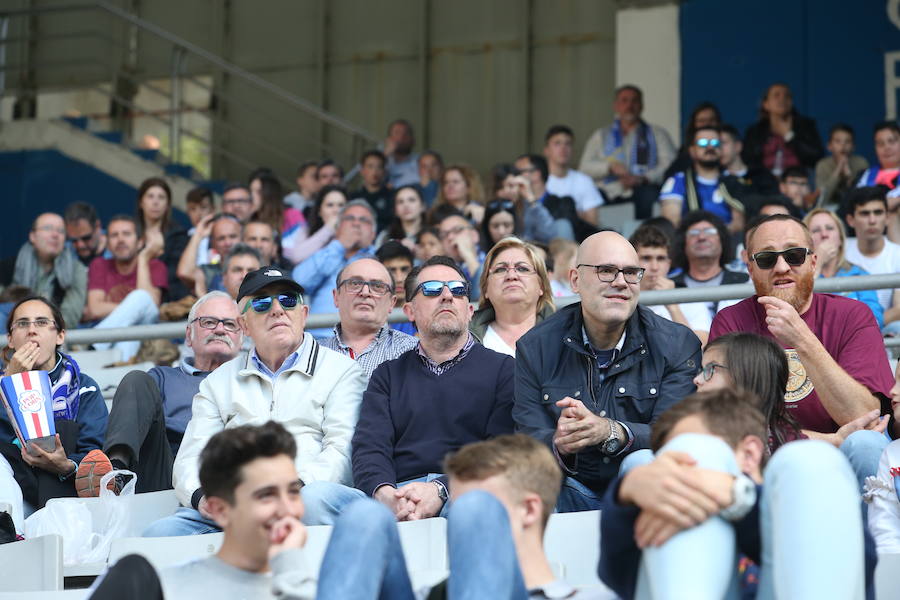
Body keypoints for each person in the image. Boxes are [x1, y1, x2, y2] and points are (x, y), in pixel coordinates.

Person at [144, 266, 366, 536]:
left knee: (312, 501)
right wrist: (203, 498)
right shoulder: (217, 382)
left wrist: (289, 490)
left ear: (303, 315)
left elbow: (342, 453)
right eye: (261, 303)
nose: (277, 309)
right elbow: (191, 458)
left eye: (287, 300)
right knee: (160, 535)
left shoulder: (341, 370)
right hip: (239, 503)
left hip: (309, 494)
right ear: (244, 325)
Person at [598, 389, 873, 600]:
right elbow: (618, 572)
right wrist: (626, 495)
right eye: (671, 465)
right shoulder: (664, 515)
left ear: (750, 454)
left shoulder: (814, 500)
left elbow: (855, 560)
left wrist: (740, 498)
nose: (680, 478)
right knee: (641, 465)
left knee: (810, 460)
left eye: (690, 460)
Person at [301, 256, 515, 525]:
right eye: (433, 289)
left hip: (465, 491)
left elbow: (501, 449)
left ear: (469, 310)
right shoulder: (387, 375)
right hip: (396, 495)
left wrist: (440, 489)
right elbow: (370, 447)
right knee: (313, 498)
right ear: (410, 310)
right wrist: (386, 494)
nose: (447, 296)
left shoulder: (504, 369)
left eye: (458, 290)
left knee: (484, 504)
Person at [514, 231, 702, 511]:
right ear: (575, 280)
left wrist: (613, 431)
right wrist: (560, 442)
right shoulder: (535, 346)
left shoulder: (677, 344)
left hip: (642, 492)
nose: (621, 282)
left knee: (644, 462)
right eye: (606, 271)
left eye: (630, 272)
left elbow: (675, 435)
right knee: (528, 482)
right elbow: (528, 436)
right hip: (567, 488)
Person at [709, 214, 894, 437]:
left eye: (794, 255)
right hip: (762, 455)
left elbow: (865, 416)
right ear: (751, 270)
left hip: (846, 451)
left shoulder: (853, 315)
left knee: (866, 443)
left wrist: (802, 339)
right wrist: (826, 441)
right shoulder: (731, 321)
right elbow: (725, 417)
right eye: (767, 258)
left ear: (813, 262)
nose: (781, 267)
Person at [89, 421, 317, 600]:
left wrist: (290, 565)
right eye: (266, 495)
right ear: (220, 510)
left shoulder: (305, 584)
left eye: (293, 492)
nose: (288, 509)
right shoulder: (159, 588)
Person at [75, 292, 243, 495]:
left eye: (230, 324)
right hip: (165, 469)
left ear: (241, 338)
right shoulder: (162, 377)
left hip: (227, 468)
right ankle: (115, 475)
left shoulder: (250, 380)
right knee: (136, 379)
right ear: (189, 335)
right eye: (209, 322)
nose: (220, 329)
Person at [0, 296, 107, 532]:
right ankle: (9, 539)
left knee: (64, 430)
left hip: (64, 495)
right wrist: (9, 383)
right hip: (14, 492)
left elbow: (94, 452)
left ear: (60, 335)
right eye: (22, 324)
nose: (31, 331)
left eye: (40, 322)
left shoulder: (83, 388)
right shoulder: (2, 383)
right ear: (10, 339)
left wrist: (66, 465)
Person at [579, 84, 677, 219]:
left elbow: (669, 165)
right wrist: (609, 167)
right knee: (589, 197)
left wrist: (643, 178)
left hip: (642, 188)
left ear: (642, 106)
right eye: (624, 101)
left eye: (634, 101)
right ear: (616, 106)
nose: (629, 105)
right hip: (608, 189)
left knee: (649, 195)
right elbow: (584, 168)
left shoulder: (657, 134)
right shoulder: (601, 135)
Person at [694, 332, 803, 452]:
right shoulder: (692, 435)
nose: (697, 380)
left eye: (710, 369)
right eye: (702, 369)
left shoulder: (792, 446)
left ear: (746, 377)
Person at [85, 215, 168, 361]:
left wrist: (143, 258)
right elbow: (95, 308)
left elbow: (151, 303)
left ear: (140, 241)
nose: (121, 239)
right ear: (108, 243)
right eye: (114, 235)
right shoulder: (99, 265)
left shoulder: (155, 265)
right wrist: (131, 311)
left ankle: (94, 344)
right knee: (129, 335)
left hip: (147, 331)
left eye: (127, 234)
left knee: (141, 297)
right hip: (123, 337)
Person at [320, 258, 417, 379]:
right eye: (355, 284)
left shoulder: (415, 352)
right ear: (336, 297)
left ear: (392, 303)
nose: (365, 292)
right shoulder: (313, 354)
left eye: (377, 286)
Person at [292, 199, 378, 327]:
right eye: (350, 218)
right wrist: (339, 245)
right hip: (319, 337)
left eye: (363, 220)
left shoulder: (380, 259)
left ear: (373, 233)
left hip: (363, 338)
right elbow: (299, 282)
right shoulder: (327, 253)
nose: (356, 223)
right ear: (337, 229)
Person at [469, 237, 555, 357]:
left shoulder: (567, 336)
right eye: (500, 269)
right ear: (485, 289)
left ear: (541, 286)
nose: (511, 275)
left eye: (522, 268)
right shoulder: (463, 341)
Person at [629, 224, 711, 344]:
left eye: (661, 259)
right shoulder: (621, 298)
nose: (655, 267)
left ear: (668, 264)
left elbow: (700, 348)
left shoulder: (691, 300)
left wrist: (673, 306)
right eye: (646, 258)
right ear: (631, 262)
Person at [803, 208, 883, 327]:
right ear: (805, 242)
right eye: (816, 230)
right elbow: (800, 310)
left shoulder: (859, 274)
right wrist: (817, 263)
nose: (824, 235)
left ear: (840, 238)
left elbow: (875, 319)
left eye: (829, 228)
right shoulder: (798, 275)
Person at [659, 126, 746, 233]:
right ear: (692, 150)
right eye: (703, 143)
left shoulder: (733, 181)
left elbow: (739, 224)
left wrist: (713, 235)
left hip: (728, 242)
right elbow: (672, 221)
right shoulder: (677, 181)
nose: (710, 147)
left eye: (715, 143)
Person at [12, 213, 87, 329]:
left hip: (55, 335)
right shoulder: (8, 267)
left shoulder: (76, 270)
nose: (55, 235)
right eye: (48, 228)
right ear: (32, 236)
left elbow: (70, 315)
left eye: (61, 231)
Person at [671, 210, 749, 322]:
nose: (702, 237)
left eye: (709, 231)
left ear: (722, 240)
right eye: (694, 233)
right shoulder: (671, 286)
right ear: (683, 243)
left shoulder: (743, 281)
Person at [843, 186, 900, 332]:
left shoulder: (897, 254)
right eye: (864, 213)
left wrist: (865, 328)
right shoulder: (840, 253)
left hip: (885, 333)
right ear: (850, 220)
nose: (872, 220)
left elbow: (899, 309)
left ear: (887, 217)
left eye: (878, 212)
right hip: (845, 332)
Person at [742, 82, 824, 176]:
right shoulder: (755, 131)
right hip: (765, 183)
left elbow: (816, 157)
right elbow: (748, 161)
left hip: (799, 181)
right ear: (766, 104)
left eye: (787, 96)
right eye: (776, 95)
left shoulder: (806, 126)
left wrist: (788, 135)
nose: (782, 99)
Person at [514, 153, 595, 242]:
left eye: (517, 172)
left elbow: (557, 238)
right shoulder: (515, 205)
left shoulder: (563, 204)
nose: (514, 177)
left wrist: (532, 201)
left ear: (536, 174)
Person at [135, 177, 190, 301]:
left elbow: (175, 276)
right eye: (150, 196)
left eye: (161, 197)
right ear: (141, 202)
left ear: (167, 205)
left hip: (168, 299)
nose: (155, 202)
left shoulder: (179, 235)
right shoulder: (130, 233)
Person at [543, 125, 605, 226]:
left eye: (568, 144)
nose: (563, 148)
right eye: (557, 143)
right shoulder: (538, 179)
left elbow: (593, 222)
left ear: (572, 150)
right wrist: (578, 213)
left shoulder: (584, 180)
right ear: (546, 150)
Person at [176, 213, 242, 297]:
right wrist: (198, 234)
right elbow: (184, 272)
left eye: (232, 236)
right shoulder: (208, 272)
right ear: (212, 243)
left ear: (242, 237)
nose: (228, 243)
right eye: (221, 238)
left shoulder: (255, 266)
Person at [857, 121, 900, 243]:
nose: (887, 147)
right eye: (881, 144)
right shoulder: (866, 175)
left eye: (892, 141)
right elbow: (858, 205)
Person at [282, 185, 347, 266]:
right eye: (330, 205)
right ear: (319, 211)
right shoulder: (305, 231)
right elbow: (296, 257)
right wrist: (328, 229)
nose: (336, 210)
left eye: (341, 205)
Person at [662, 101, 722, 182]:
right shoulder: (685, 154)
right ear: (692, 150)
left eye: (711, 120)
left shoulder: (726, 150)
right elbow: (669, 176)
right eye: (702, 120)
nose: (707, 124)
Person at [816, 123, 868, 208]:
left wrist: (849, 178)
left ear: (853, 146)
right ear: (829, 146)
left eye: (847, 141)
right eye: (838, 141)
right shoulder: (822, 165)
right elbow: (822, 198)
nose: (843, 145)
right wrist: (838, 171)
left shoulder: (861, 163)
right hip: (829, 207)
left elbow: (863, 196)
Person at [718, 124, 779, 196]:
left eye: (723, 143)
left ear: (738, 146)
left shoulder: (761, 176)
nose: (719, 149)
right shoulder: (714, 179)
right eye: (716, 144)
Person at [437, 212, 485, 300]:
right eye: (444, 235)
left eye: (457, 230)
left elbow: (484, 295)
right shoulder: (439, 273)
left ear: (474, 235)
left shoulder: (493, 261)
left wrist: (469, 256)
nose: (450, 237)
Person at [375, 241, 418, 335]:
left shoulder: (424, 312)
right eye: (391, 271)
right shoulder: (367, 314)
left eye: (404, 269)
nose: (399, 278)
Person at [352, 149, 393, 232]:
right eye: (370, 166)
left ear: (384, 171)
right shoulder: (353, 197)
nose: (375, 171)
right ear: (362, 171)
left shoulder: (392, 196)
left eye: (379, 167)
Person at [376, 185, 426, 250]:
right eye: (400, 202)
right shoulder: (385, 236)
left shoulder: (433, 234)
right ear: (395, 210)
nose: (406, 205)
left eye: (411, 200)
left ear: (422, 206)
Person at [64, 202, 108, 267]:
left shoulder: (121, 251)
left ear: (97, 226)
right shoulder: (63, 252)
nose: (80, 245)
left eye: (86, 238)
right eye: (74, 240)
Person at [383, 119, 419, 188]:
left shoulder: (421, 162)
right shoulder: (382, 160)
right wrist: (385, 155)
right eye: (397, 133)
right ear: (388, 139)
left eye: (406, 133)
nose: (402, 137)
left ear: (413, 140)